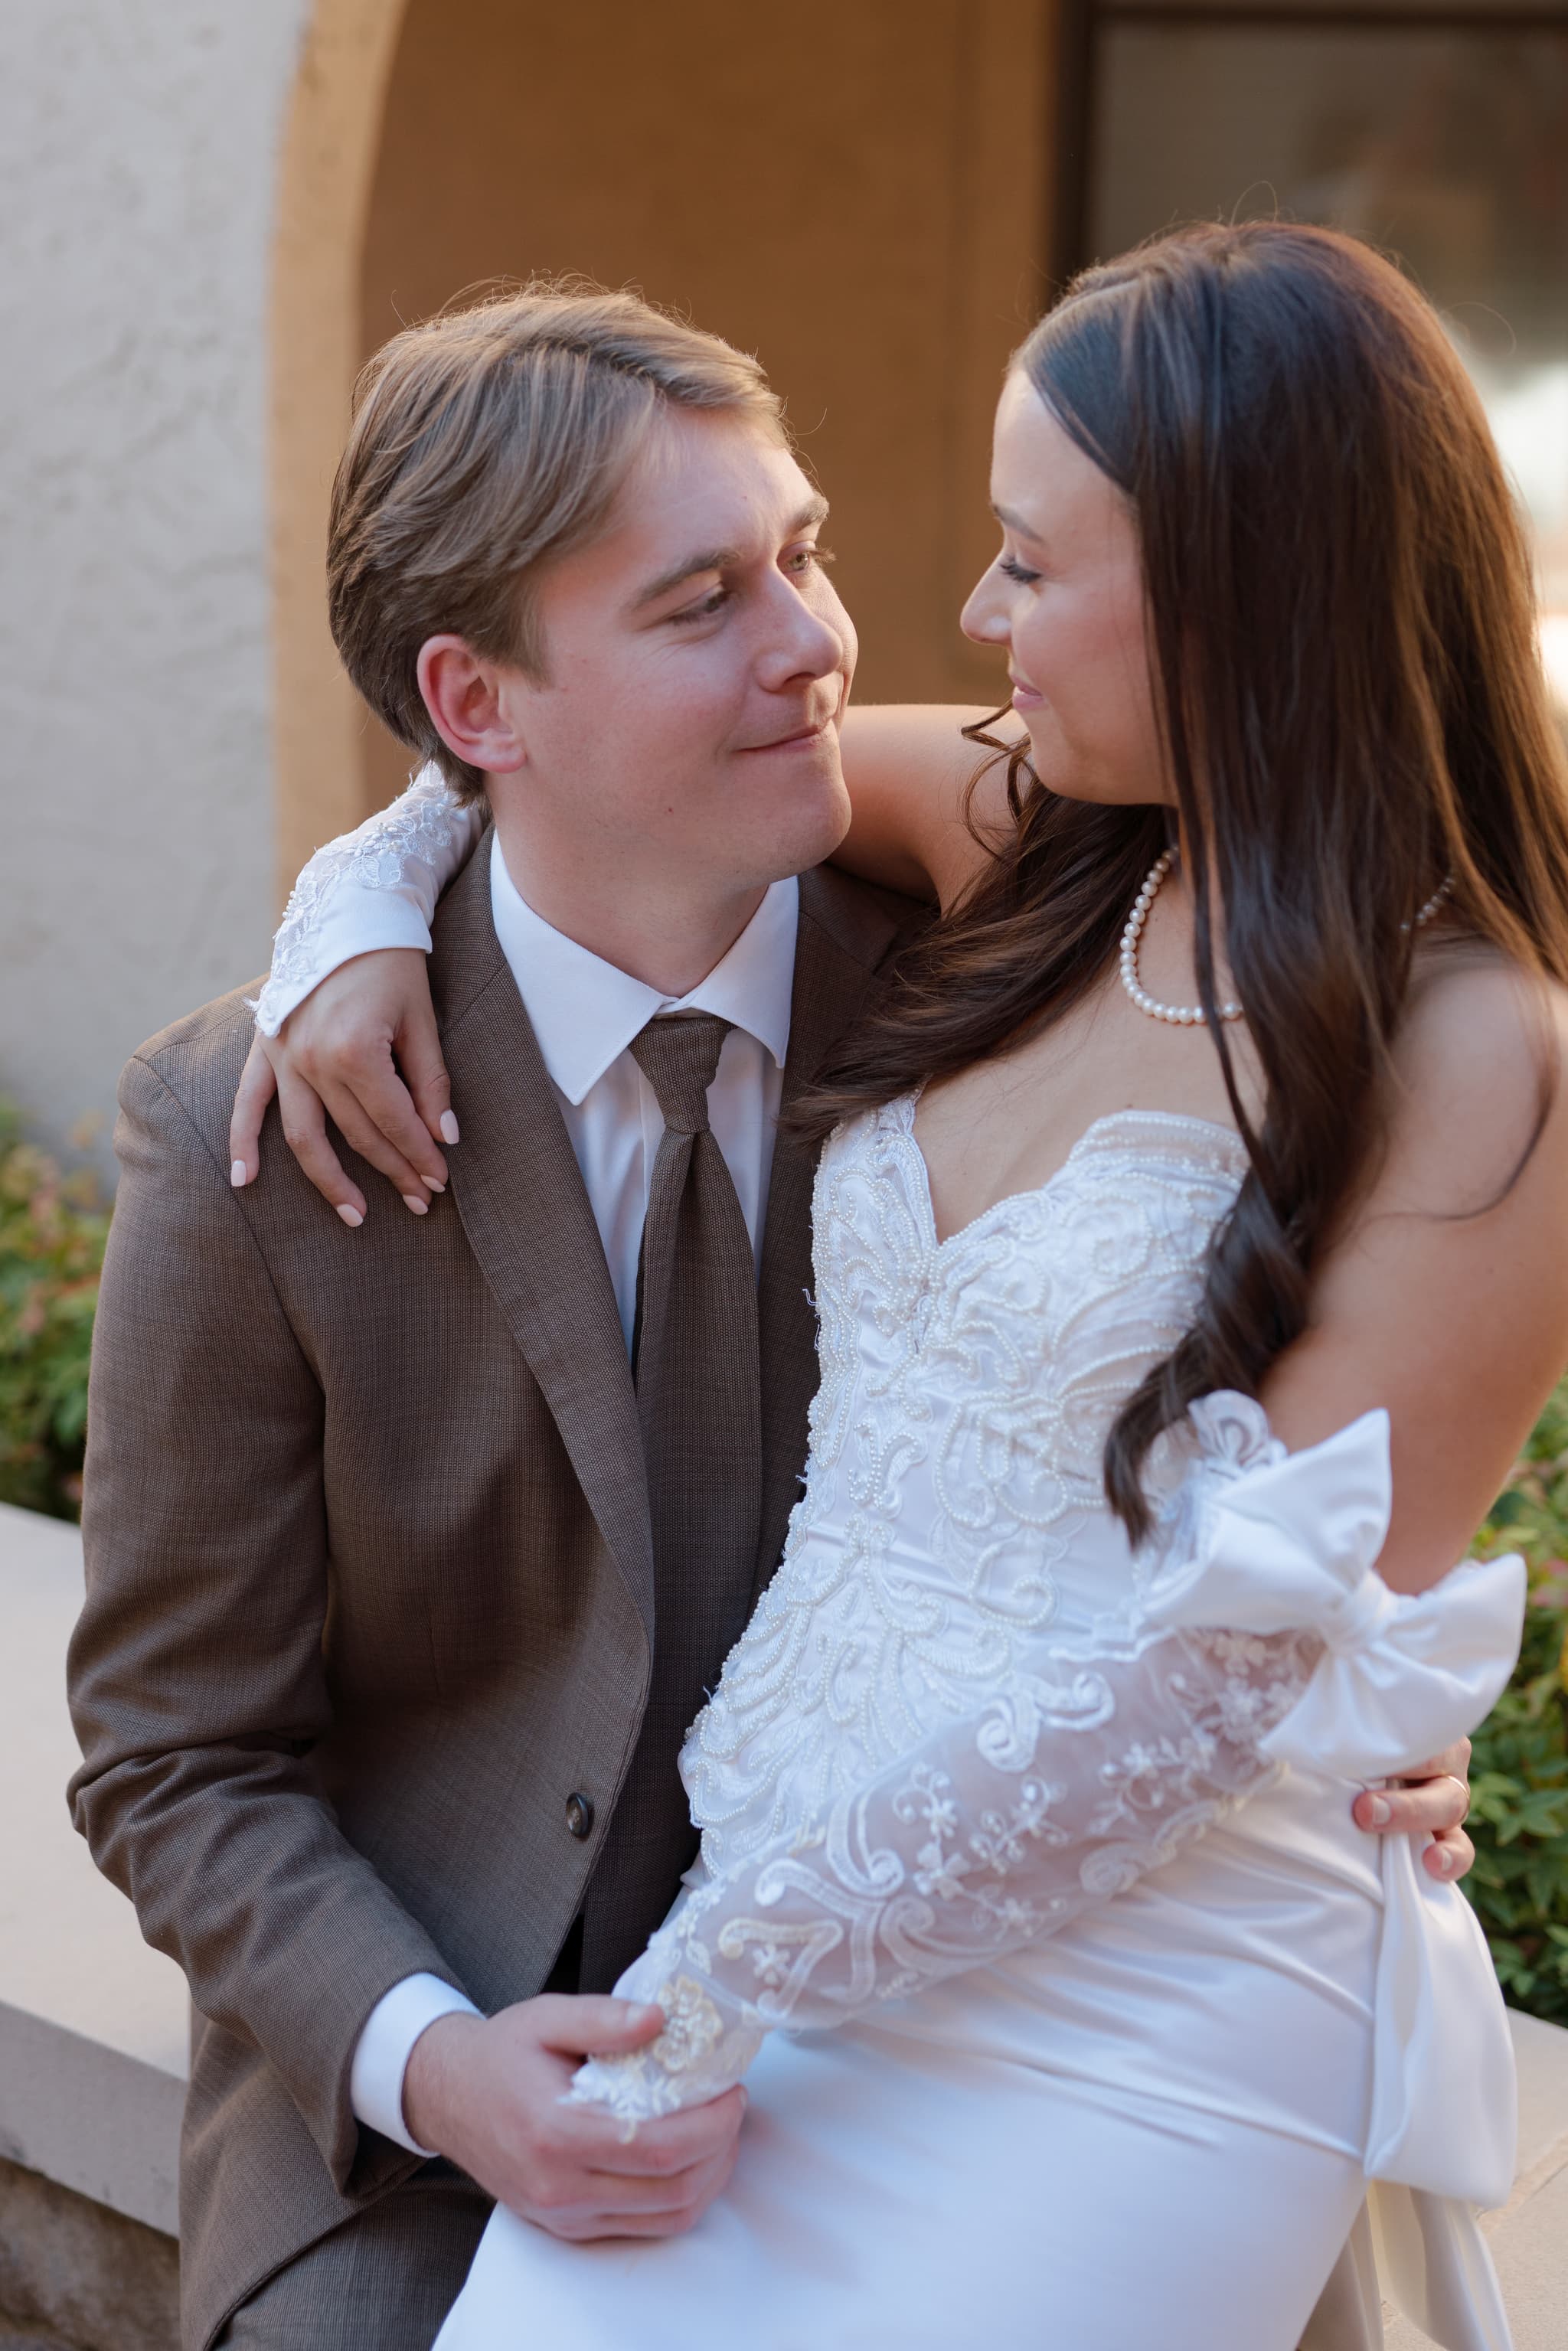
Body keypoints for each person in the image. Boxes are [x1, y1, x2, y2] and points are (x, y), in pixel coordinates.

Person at [214, 229, 1566, 2351]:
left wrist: (741, 1966)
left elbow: (1199, 1701)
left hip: (1128, 2011)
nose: (953, 621)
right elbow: (550, 742)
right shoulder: (1045, 836)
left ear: (1240, 586)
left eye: (1030, 561)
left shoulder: (1488, 1061)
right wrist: (357, 903)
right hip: (763, 1950)